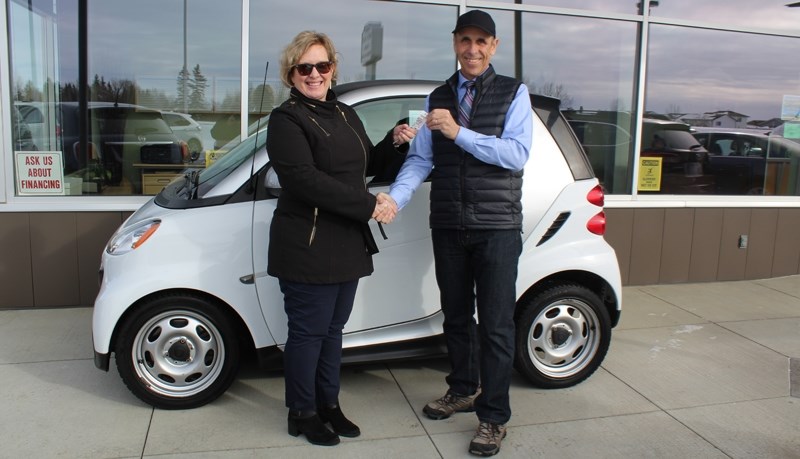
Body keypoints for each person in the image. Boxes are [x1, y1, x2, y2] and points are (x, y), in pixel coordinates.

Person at [384, 10, 533, 457]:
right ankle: (462, 388)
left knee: (496, 325)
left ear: (494, 46)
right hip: (448, 224)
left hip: (497, 227)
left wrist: (459, 131)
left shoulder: (513, 93)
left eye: (481, 41)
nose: (472, 49)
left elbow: (516, 154)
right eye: (465, 40)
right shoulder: (438, 95)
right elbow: (420, 160)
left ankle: (493, 417)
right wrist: (395, 198)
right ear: (455, 44)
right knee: (454, 317)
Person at [266, 31, 415, 446]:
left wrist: (395, 142)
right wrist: (369, 206)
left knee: (333, 331)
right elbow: (305, 180)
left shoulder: (346, 114)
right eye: (305, 68)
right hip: (308, 244)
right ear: (292, 74)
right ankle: (302, 411)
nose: (315, 75)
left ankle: (328, 404)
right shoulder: (286, 120)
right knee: (308, 332)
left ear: (333, 67)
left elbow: (366, 165)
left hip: (346, 241)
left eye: (322, 65)